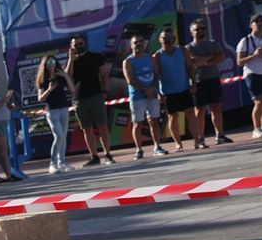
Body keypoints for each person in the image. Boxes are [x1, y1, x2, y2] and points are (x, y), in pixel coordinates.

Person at [66, 36, 116, 166]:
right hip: (79, 99)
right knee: (86, 129)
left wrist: (105, 91)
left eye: (80, 44)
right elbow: (67, 77)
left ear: (85, 43)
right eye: (75, 45)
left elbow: (104, 74)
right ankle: (94, 156)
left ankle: (108, 154)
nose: (78, 46)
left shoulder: (95, 57)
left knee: (102, 126)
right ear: (72, 47)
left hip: (96, 95)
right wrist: (71, 59)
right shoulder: (72, 61)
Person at [121, 32, 169, 161]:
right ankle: (139, 149)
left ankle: (157, 146)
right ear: (131, 45)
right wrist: (144, 90)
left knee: (154, 121)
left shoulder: (150, 58)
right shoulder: (128, 61)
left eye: (141, 41)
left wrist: (153, 89)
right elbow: (130, 80)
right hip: (137, 96)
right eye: (136, 42)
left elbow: (156, 74)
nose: (139, 44)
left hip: (152, 94)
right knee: (137, 123)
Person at [185, 19, 231, 147]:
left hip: (213, 79)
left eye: (203, 28)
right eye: (197, 29)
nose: (201, 31)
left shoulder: (213, 43)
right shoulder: (189, 47)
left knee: (216, 107)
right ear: (191, 32)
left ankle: (220, 135)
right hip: (199, 81)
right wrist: (211, 58)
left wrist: (206, 61)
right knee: (199, 111)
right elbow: (194, 61)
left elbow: (221, 57)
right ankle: (200, 138)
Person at [35, 53, 75, 175]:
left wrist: (65, 75)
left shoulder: (60, 77)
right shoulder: (43, 80)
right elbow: (40, 98)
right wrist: (49, 89)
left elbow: (72, 90)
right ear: (45, 65)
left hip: (63, 108)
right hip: (52, 111)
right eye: (49, 63)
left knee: (64, 136)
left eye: (53, 62)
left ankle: (62, 162)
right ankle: (52, 164)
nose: (51, 65)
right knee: (59, 136)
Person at [156, 27, 193, 149]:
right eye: (165, 38)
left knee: (190, 113)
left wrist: (193, 83)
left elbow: (190, 68)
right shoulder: (157, 56)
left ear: (174, 39)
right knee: (173, 116)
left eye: (171, 38)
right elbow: (156, 76)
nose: (168, 40)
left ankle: (198, 141)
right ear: (160, 40)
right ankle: (178, 144)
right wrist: (159, 94)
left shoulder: (182, 50)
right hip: (168, 92)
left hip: (184, 88)